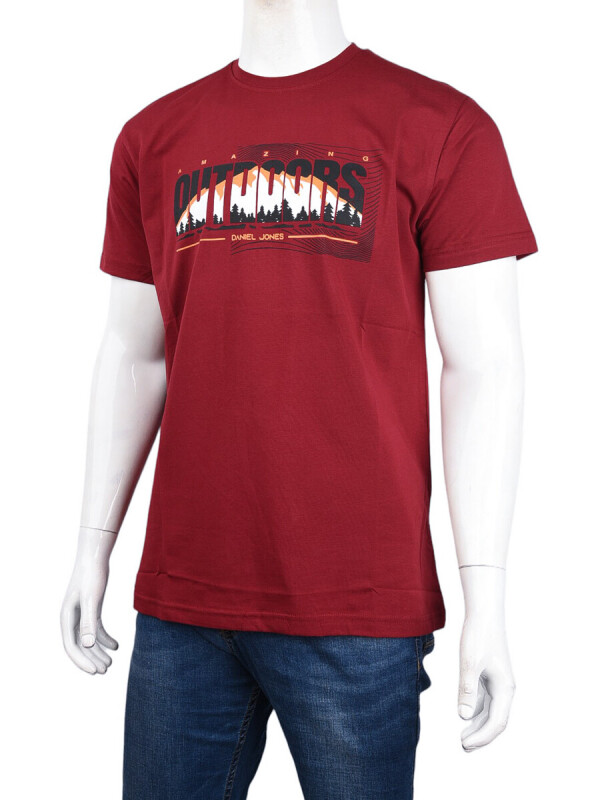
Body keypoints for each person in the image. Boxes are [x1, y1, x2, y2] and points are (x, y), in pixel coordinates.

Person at [60, 2, 538, 798]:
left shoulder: (441, 126)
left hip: (357, 606)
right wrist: (91, 544)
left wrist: (485, 597)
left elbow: (483, 368)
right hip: (184, 602)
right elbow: (132, 351)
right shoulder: (153, 137)